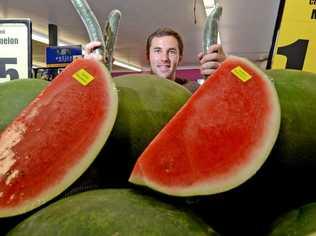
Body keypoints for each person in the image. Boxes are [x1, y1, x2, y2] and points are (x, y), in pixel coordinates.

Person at [84, 27, 226, 93]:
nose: (164, 58)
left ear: (180, 57)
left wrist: (227, 75)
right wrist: (89, 76)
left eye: (171, 52)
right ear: (148, 55)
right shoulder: (130, 88)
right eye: (157, 51)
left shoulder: (194, 91)